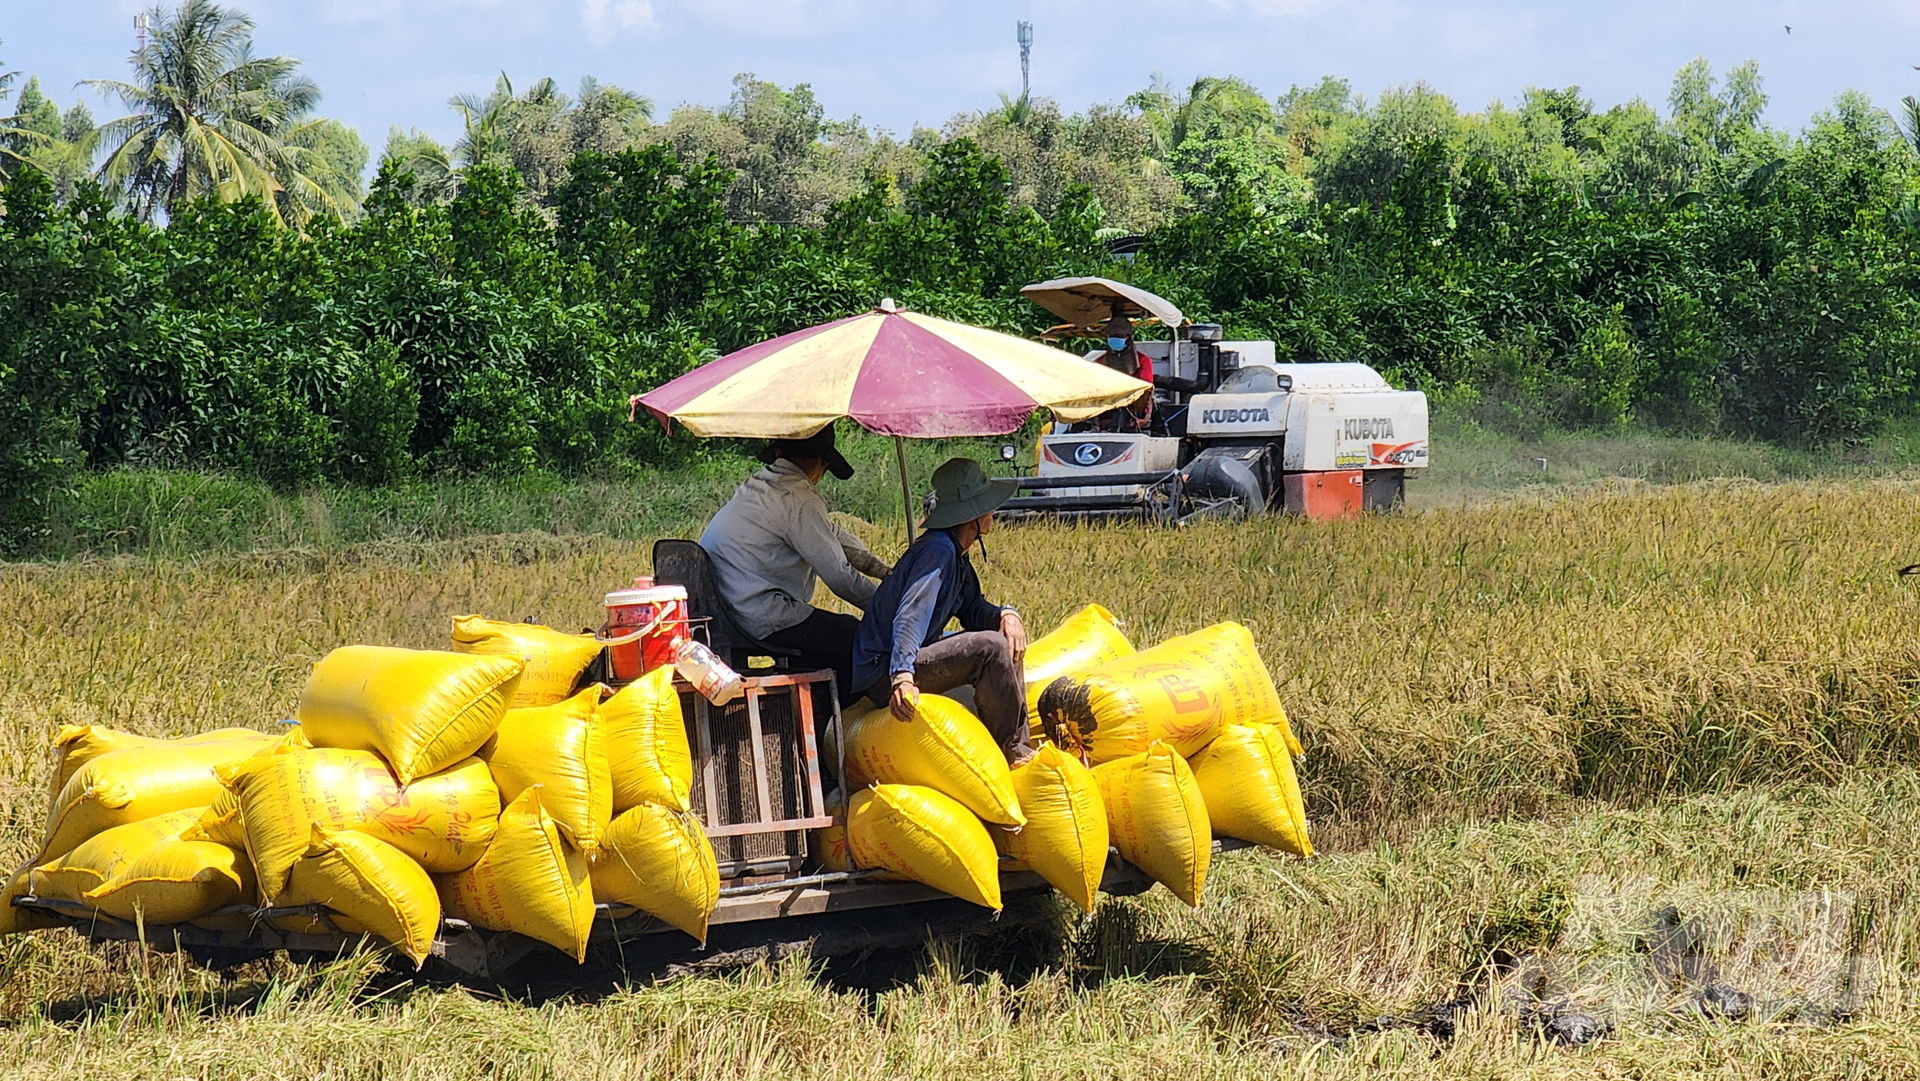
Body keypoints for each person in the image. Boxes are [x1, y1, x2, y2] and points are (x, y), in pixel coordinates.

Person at [851, 458, 1033, 766]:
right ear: (972, 516)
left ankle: (1020, 743)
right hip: (885, 669)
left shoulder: (956, 554)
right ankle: (1013, 750)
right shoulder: (939, 551)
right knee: (991, 647)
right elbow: (909, 617)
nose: (993, 513)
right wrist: (902, 678)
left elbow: (972, 608)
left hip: (906, 657)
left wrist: (1007, 614)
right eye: (988, 507)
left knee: (1005, 636)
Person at [700, 426, 891, 699]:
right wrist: (888, 608)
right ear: (823, 464)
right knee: (857, 638)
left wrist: (883, 571)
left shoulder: (761, 487)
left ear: (779, 452)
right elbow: (839, 578)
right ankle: (837, 725)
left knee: (832, 633)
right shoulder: (798, 498)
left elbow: (830, 534)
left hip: (730, 609)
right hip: (758, 615)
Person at [1092, 312, 1154, 430]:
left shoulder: (1143, 361)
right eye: (1112, 336)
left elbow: (1145, 388)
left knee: (1121, 412)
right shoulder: (1100, 362)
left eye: (1119, 336)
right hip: (1105, 409)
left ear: (1128, 338)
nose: (1115, 339)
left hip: (1133, 410)